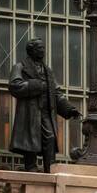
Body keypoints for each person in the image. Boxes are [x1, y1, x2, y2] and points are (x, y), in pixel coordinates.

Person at [8, 37, 81, 172]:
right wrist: (37, 85)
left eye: (43, 48)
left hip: (46, 112)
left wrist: (69, 109)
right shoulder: (20, 67)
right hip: (30, 112)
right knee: (30, 139)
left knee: (51, 138)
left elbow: (56, 93)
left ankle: (50, 169)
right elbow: (14, 86)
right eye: (39, 48)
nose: (43, 51)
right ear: (31, 50)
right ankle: (31, 166)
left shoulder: (48, 70)